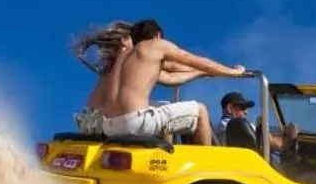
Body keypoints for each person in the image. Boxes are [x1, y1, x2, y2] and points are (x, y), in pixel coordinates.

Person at [100, 18, 245, 145]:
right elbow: (198, 61)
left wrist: (201, 73)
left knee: (166, 107)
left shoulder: (125, 57)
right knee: (200, 110)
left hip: (110, 125)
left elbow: (171, 78)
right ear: (158, 36)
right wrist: (232, 72)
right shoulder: (156, 45)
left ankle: (167, 156)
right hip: (135, 122)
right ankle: (207, 166)